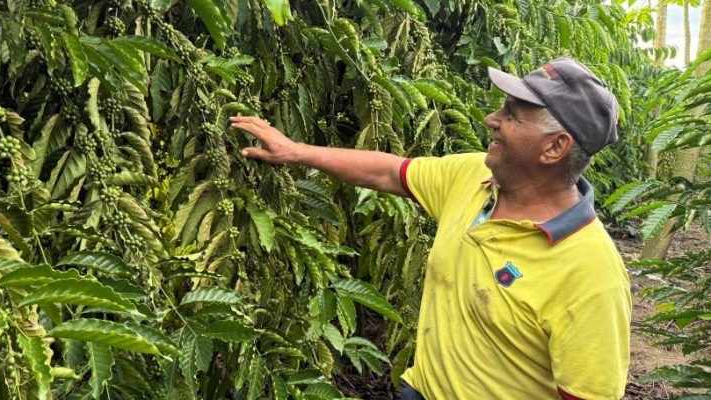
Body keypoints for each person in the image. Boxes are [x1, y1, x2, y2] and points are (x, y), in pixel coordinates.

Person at [229, 57, 631, 399]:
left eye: (511, 114)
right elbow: (389, 172)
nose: (491, 119)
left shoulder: (591, 273)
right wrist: (296, 151)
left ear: (554, 147)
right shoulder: (473, 176)